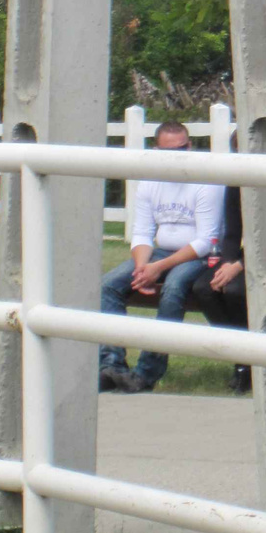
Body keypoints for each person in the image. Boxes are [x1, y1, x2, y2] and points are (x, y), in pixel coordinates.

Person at [99, 121, 226, 393]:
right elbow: (142, 233)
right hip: (160, 252)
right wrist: (143, 268)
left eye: (183, 148)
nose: (179, 154)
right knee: (107, 286)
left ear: (190, 145)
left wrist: (159, 267)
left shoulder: (207, 179)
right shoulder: (149, 181)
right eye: (171, 150)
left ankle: (146, 373)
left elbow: (206, 240)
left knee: (173, 287)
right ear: (156, 150)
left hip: (199, 256)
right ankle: (111, 366)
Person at [190, 183, 251, 394]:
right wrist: (227, 262)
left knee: (235, 292)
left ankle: (249, 361)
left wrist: (239, 265)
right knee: (203, 289)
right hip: (240, 257)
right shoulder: (235, 183)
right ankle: (240, 357)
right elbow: (233, 232)